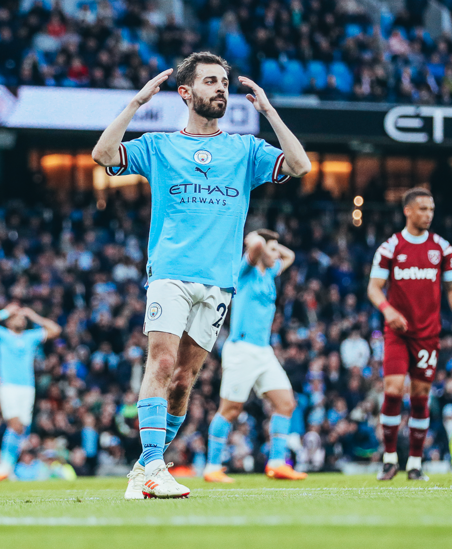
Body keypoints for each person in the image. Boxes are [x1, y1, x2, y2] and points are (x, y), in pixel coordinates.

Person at [92, 51, 310, 499]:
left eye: (225, 83)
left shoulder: (245, 149)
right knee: (163, 363)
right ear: (186, 93)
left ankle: (144, 469)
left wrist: (268, 111)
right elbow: (103, 154)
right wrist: (136, 103)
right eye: (211, 82)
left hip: (219, 282)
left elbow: (299, 165)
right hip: (170, 271)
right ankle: (154, 465)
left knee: (184, 384)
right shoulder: (158, 146)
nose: (222, 89)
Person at [367, 187, 452, 481]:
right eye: (423, 209)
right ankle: (389, 459)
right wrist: (387, 310)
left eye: (431, 209)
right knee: (394, 389)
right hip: (398, 333)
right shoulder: (391, 247)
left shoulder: (442, 248)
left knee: (421, 394)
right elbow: (373, 288)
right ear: (408, 211)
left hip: (428, 335)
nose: (428, 214)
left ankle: (414, 463)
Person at [204, 229, 305, 483]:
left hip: (264, 351)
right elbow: (257, 245)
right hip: (241, 349)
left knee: (286, 403)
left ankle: (277, 463)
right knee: (231, 409)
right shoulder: (245, 271)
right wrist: (256, 241)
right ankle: (212, 467)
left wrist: (273, 248)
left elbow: (290, 256)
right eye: (272, 249)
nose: (276, 254)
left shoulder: (269, 271)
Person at [0, 304, 62, 482]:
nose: (21, 319)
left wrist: (34, 316)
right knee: (15, 424)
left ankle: (6, 469)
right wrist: (4, 312)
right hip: (8, 385)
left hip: (27, 387)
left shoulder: (30, 337)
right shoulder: (2, 334)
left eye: (22, 318)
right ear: (9, 321)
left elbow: (56, 330)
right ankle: (2, 467)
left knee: (21, 428)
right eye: (17, 317)